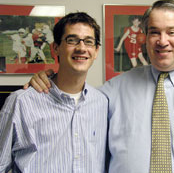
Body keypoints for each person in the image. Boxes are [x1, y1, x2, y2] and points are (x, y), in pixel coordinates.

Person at [24, 0, 174, 172]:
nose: (162, 41)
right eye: (154, 32)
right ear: (145, 37)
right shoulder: (113, 91)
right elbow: (73, 102)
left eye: (171, 32)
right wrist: (47, 80)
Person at [0, 12, 108, 172]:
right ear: (55, 48)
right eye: (72, 40)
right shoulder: (21, 103)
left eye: (89, 42)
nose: (81, 48)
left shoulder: (102, 103)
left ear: (96, 50)